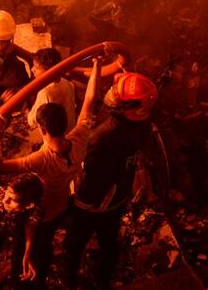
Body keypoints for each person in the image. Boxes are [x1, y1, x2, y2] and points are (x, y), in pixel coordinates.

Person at [0, 57, 102, 288]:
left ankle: (24, 278)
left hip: (39, 213)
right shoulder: (79, 139)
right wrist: (98, 65)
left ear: (42, 129)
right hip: (60, 206)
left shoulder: (41, 160)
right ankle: (39, 270)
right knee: (45, 243)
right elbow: (89, 101)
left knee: (25, 246)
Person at [63, 72, 158, 289]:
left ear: (132, 107)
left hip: (97, 203)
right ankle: (103, 278)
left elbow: (95, 180)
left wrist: (79, 204)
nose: (111, 95)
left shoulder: (105, 137)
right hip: (119, 194)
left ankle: (70, 282)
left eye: (118, 96)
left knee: (74, 244)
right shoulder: (143, 122)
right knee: (109, 242)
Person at [27, 48, 76, 142]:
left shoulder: (45, 92)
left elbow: (32, 121)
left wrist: (27, 112)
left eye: (36, 68)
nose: (32, 69)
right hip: (71, 131)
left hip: (56, 139)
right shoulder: (67, 83)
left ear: (49, 71)